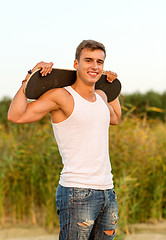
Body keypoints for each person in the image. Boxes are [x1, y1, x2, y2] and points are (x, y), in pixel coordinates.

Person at [8, 40, 121, 240]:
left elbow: (115, 118)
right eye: (88, 60)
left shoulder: (102, 96)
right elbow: (17, 116)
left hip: (107, 191)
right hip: (78, 192)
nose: (94, 66)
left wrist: (110, 87)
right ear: (76, 64)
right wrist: (29, 78)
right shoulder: (62, 96)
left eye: (99, 62)